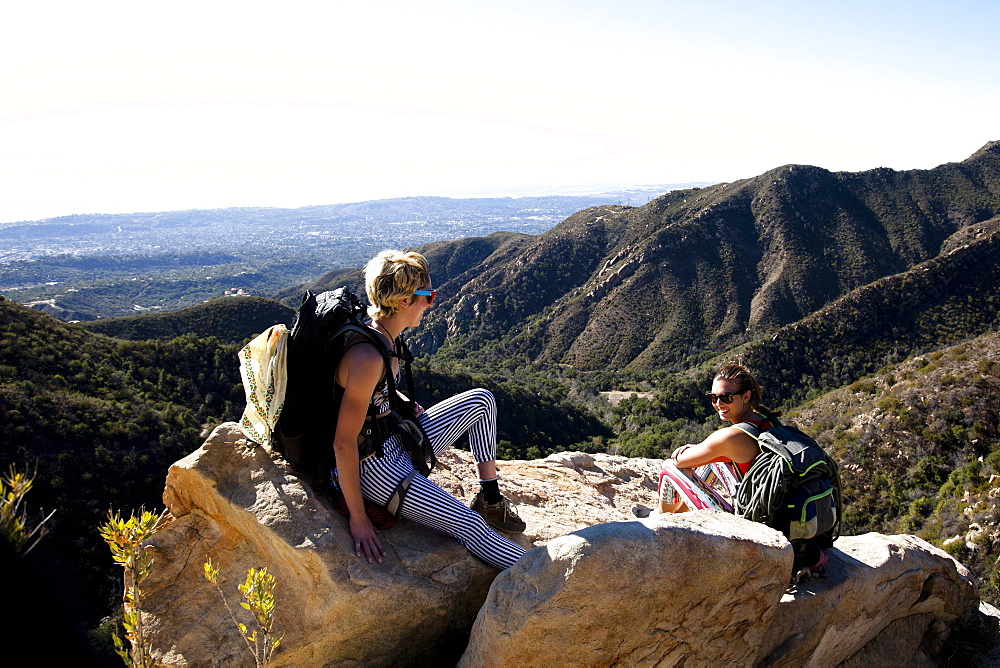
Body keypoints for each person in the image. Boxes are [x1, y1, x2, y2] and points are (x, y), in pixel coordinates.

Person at [333, 249, 526, 568]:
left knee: (481, 400)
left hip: (393, 440)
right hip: (372, 467)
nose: (431, 303)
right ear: (404, 301)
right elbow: (342, 442)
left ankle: (491, 500)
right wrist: (358, 517)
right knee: (470, 527)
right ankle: (551, 582)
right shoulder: (367, 358)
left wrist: (401, 401)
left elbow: (373, 393)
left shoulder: (382, 336)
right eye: (428, 295)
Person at [657, 363, 778, 514]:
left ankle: (662, 519)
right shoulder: (767, 421)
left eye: (726, 398)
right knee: (714, 463)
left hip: (753, 519)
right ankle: (680, 513)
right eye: (713, 398)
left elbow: (678, 461)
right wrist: (703, 448)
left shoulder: (731, 437)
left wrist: (700, 448)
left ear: (746, 396)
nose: (718, 404)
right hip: (772, 506)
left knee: (669, 467)